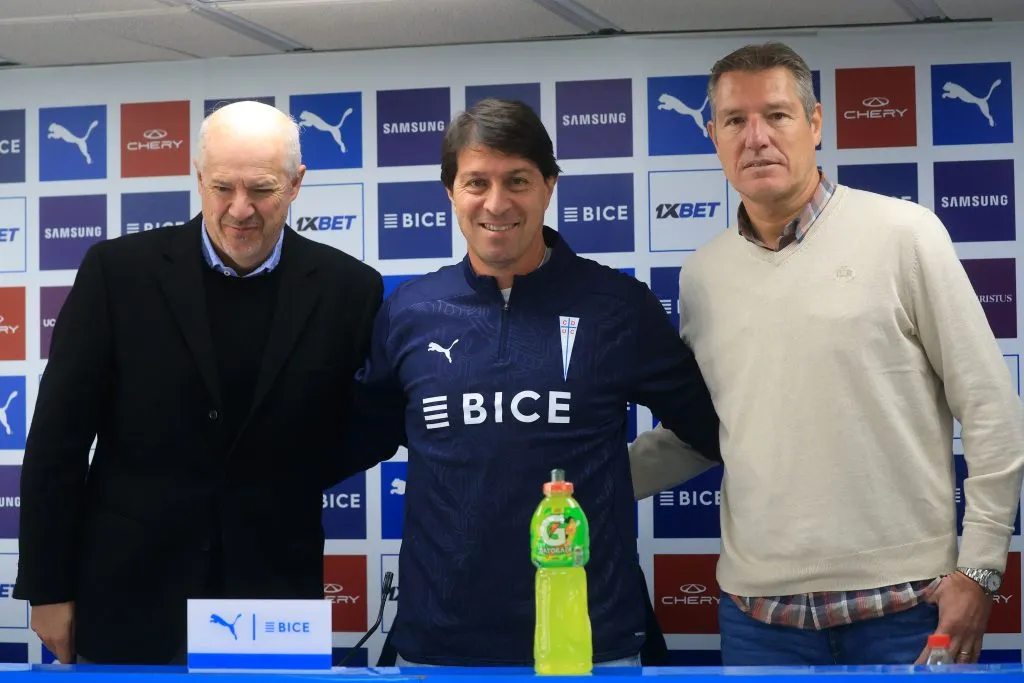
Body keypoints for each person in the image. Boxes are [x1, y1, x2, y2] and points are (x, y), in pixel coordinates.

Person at [629, 42, 1024, 666]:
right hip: (759, 617)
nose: (756, 137)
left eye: (777, 115)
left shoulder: (905, 235)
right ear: (713, 135)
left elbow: (991, 410)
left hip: (905, 608)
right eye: (735, 120)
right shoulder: (703, 275)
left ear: (815, 123)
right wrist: (578, 483)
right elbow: (708, 430)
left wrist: (978, 570)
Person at [350, 98, 720, 667]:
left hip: (589, 642)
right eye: (476, 182)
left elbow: (710, 426)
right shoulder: (409, 311)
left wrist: (614, 479)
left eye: (517, 180)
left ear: (548, 185)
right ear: (450, 191)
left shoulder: (616, 306)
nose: (496, 203)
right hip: (439, 644)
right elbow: (365, 434)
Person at [14, 100, 384, 665]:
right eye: (222, 188)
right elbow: (56, 442)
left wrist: (285, 473)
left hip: (273, 595)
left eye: (261, 190)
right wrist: (47, 587)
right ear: (197, 179)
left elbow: (368, 425)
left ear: (296, 183)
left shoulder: (349, 290)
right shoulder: (117, 274)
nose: (241, 210)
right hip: (128, 592)